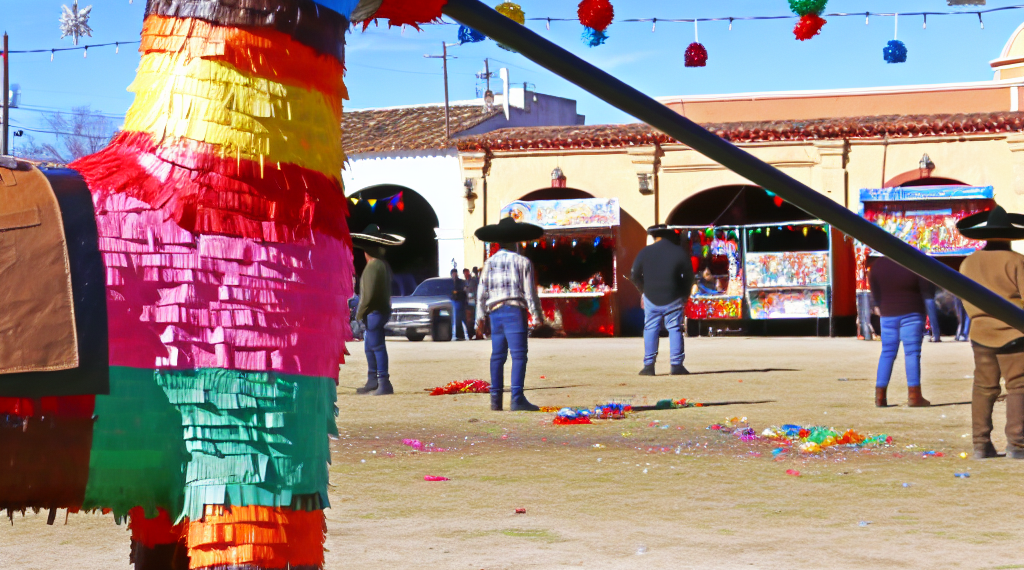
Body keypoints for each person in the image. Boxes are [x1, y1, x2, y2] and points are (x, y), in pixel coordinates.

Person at [957, 206, 1024, 459]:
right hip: (1015, 332)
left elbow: (964, 299)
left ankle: (980, 444)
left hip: (981, 333)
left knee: (984, 388)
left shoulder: (968, 262)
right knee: (1018, 386)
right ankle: (1017, 444)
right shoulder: (1017, 261)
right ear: (1009, 236)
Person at [475, 217, 546, 411]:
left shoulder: (489, 263)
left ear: (498, 242)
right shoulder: (523, 262)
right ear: (515, 242)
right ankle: (516, 398)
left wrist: (479, 318)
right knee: (519, 356)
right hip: (514, 312)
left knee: (497, 356)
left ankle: (495, 400)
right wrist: (538, 316)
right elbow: (530, 293)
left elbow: (481, 293)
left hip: (495, 313)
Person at [631, 225, 695, 376]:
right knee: (675, 328)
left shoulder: (645, 252)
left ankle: (648, 366)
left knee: (650, 328)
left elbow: (634, 275)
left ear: (655, 237)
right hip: (674, 297)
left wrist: (644, 290)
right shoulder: (679, 252)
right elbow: (689, 278)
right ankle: (676, 365)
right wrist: (684, 294)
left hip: (651, 296)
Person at [868, 256, 932, 407]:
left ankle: (880, 397)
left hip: (887, 315)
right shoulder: (915, 262)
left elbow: (875, 293)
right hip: (912, 313)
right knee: (912, 353)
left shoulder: (877, 265)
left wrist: (880, 306)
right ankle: (914, 396)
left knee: (887, 353)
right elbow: (927, 291)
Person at [352, 225, 405, 395]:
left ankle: (383, 382)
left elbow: (368, 295)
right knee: (370, 346)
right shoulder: (382, 265)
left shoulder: (374, 266)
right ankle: (373, 380)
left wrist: (359, 314)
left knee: (376, 347)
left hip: (374, 312)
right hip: (379, 311)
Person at [450, 268, 469, 340]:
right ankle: (459, 335)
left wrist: (457, 292)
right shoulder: (451, 282)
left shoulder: (460, 282)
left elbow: (463, 291)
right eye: (453, 274)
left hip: (460, 301)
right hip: (454, 301)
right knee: (457, 319)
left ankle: (465, 334)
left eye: (455, 274)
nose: (454, 275)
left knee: (461, 318)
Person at [464, 267, 478, 339]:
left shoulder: (473, 280)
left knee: (475, 317)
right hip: (468, 302)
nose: (466, 274)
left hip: (474, 301)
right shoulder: (465, 281)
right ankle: (471, 334)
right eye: (465, 273)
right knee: (470, 319)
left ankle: (476, 333)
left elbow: (474, 289)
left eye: (467, 272)